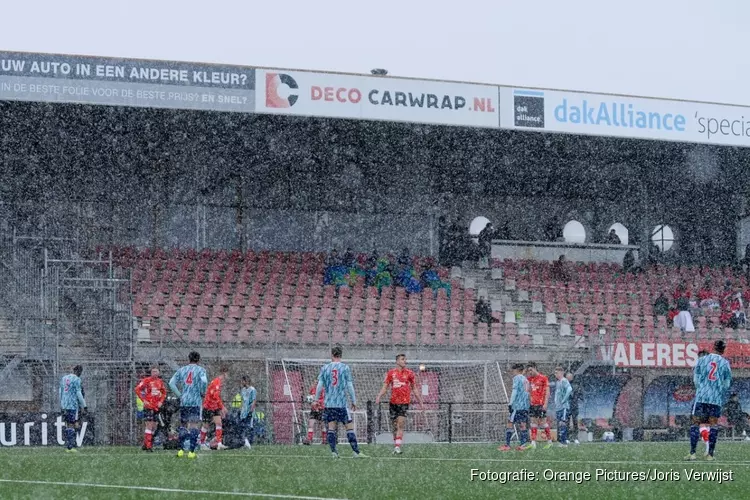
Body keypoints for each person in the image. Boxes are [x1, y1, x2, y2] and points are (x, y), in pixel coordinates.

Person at [314, 345, 367, 458]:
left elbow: (319, 386)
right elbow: (349, 385)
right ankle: (356, 452)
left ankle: (334, 452)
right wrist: (354, 400)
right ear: (341, 355)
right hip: (341, 404)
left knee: (331, 428)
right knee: (349, 427)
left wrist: (316, 399)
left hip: (329, 404)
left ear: (332, 355)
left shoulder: (325, 368)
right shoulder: (345, 368)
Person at [685, 340, 732, 461]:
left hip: (701, 397)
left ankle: (692, 453)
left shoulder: (702, 360)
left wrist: (701, 388)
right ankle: (710, 454)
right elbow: (727, 383)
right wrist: (719, 389)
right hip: (715, 398)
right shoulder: (725, 363)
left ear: (713, 347)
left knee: (696, 423)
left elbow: (696, 378)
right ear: (723, 350)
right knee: (713, 425)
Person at [375, 354, 424, 455]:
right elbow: (385, 387)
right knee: (394, 426)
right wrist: (379, 396)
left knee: (400, 424)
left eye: (405, 359)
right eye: (402, 359)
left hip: (404, 403)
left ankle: (397, 447)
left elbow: (414, 388)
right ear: (397, 361)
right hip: (393, 403)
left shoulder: (410, 374)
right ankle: (396, 444)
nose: (404, 361)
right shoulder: (391, 373)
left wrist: (420, 402)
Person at [169, 351, 208, 459]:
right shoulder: (201, 370)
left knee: (183, 425)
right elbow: (204, 381)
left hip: (184, 401)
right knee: (194, 425)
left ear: (188, 359)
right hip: (195, 401)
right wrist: (202, 391)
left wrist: (179, 395)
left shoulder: (182, 370)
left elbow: (171, 383)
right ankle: (191, 451)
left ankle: (181, 450)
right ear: (198, 360)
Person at [498, 363, 531, 451]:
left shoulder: (517, 378)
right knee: (523, 425)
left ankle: (507, 445)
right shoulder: (526, 380)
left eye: (513, 370)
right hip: (525, 406)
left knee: (510, 423)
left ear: (516, 370)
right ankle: (523, 445)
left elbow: (515, 391)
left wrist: (510, 403)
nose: (512, 372)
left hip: (517, 405)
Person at [134, 367, 167, 452]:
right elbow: (137, 389)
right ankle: (149, 446)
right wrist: (144, 400)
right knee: (149, 425)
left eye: (156, 371)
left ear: (159, 372)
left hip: (157, 407)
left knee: (154, 426)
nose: (155, 373)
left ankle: (146, 444)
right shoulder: (146, 380)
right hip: (149, 406)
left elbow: (164, 392)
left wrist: (161, 401)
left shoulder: (160, 382)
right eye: (153, 371)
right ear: (151, 372)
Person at [200, 365, 229, 450]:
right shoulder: (217, 381)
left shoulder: (219, 382)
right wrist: (222, 407)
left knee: (219, 423)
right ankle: (201, 444)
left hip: (215, 406)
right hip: (208, 406)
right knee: (206, 425)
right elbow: (215, 396)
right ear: (224, 373)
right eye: (227, 374)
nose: (228, 376)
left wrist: (220, 407)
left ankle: (219, 443)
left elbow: (217, 397)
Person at [59, 365, 86, 453]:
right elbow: (78, 393)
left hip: (64, 405)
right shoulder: (77, 380)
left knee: (68, 424)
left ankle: (69, 445)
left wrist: (62, 404)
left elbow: (60, 392)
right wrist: (84, 405)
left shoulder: (64, 378)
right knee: (74, 424)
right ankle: (70, 446)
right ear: (80, 372)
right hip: (73, 405)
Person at [526, 363, 552, 449]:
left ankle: (549, 441)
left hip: (541, 404)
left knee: (543, 423)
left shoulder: (543, 378)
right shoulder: (530, 379)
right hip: (533, 404)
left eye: (531, 370)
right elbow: (527, 390)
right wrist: (527, 382)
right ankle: (533, 442)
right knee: (533, 423)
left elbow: (547, 392)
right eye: (528, 370)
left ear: (535, 368)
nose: (530, 372)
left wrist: (545, 403)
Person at [554, 367, 573, 448]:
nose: (555, 374)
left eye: (556, 373)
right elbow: (557, 393)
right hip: (558, 407)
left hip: (564, 407)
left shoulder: (564, 380)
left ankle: (564, 442)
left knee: (563, 423)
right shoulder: (558, 382)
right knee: (560, 424)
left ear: (561, 373)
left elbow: (569, 389)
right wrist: (556, 401)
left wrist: (564, 400)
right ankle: (561, 441)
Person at [240, 375, 257, 449]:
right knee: (243, 426)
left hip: (249, 411)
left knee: (249, 426)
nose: (241, 382)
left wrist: (251, 410)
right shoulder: (243, 390)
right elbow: (243, 400)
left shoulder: (252, 389)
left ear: (246, 381)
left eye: (242, 381)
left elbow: (253, 401)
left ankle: (249, 442)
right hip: (243, 412)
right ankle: (244, 442)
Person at [565, 372, 580, 445]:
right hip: (567, 407)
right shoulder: (564, 385)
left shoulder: (576, 385)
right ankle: (567, 438)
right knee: (566, 423)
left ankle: (576, 438)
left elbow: (579, 395)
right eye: (567, 377)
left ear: (572, 377)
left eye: (570, 377)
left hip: (574, 406)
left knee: (575, 422)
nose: (568, 378)